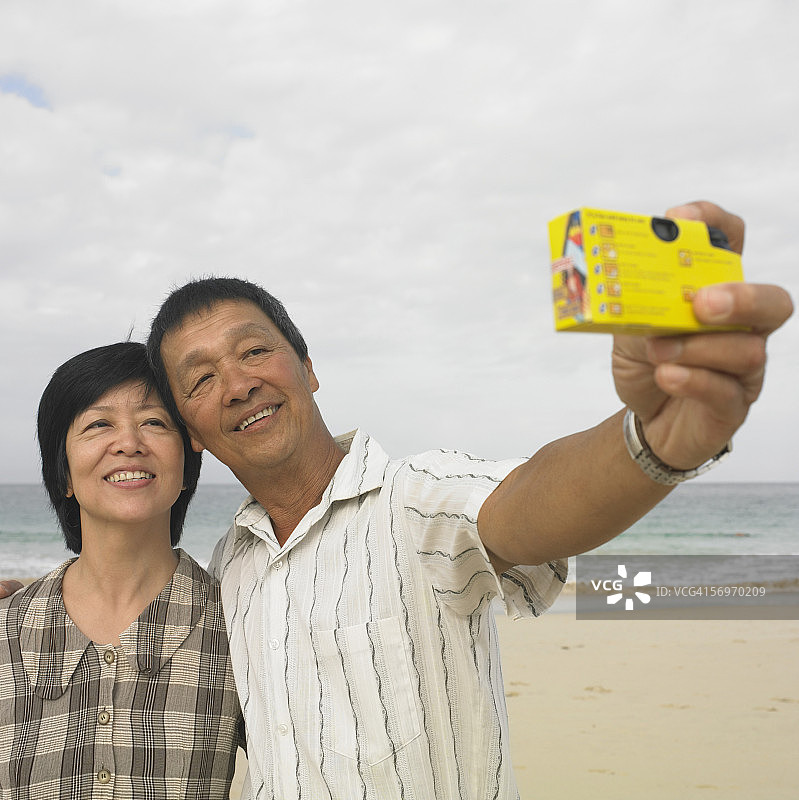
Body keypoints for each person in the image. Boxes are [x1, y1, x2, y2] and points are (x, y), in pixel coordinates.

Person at [2, 202, 793, 799]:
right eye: (201, 379)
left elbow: (529, 505)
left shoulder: (416, 503)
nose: (237, 382)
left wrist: (652, 442)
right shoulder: (230, 571)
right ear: (198, 433)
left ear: (307, 367)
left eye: (254, 351)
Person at [0, 343, 245, 799]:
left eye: (154, 422)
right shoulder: (7, 630)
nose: (129, 443)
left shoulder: (240, 625)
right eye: (98, 424)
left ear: (188, 466)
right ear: (64, 476)